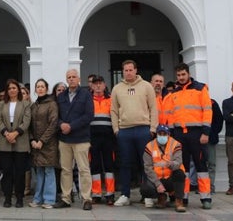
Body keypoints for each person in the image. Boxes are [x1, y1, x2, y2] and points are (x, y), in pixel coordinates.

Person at [110, 60, 158, 207]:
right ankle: (125, 194)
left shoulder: (146, 86)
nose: (128, 73)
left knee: (146, 164)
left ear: (136, 70)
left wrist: (153, 129)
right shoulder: (117, 88)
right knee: (125, 164)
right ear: (123, 71)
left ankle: (147, 195)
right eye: (125, 70)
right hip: (124, 131)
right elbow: (113, 110)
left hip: (143, 130)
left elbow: (153, 108)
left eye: (131, 70)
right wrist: (116, 130)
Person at [165, 63, 212, 209]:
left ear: (188, 74)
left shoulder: (200, 88)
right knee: (181, 167)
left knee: (201, 165)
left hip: (197, 133)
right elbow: (171, 114)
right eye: (178, 75)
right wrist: (171, 134)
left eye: (183, 74)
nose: (181, 77)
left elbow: (207, 110)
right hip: (179, 134)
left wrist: (205, 132)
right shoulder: (173, 92)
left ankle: (206, 198)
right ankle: (183, 197)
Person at [54, 68, 94, 211]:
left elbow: (89, 116)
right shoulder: (61, 96)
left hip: (81, 138)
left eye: (73, 77)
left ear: (79, 79)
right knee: (66, 169)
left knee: (84, 169)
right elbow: (56, 116)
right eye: (69, 77)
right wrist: (61, 124)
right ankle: (66, 197)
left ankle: (86, 198)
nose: (71, 79)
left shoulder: (86, 94)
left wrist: (71, 126)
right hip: (64, 139)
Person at [0, 79, 31, 208]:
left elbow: (27, 121)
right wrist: (6, 134)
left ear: (18, 89)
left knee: (20, 172)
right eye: (9, 88)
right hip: (5, 141)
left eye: (14, 88)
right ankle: (7, 198)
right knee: (7, 171)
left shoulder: (25, 104)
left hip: (20, 140)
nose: (12, 90)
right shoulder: (1, 104)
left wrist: (15, 133)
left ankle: (19, 197)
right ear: (6, 90)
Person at [141, 125, 187, 213]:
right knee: (145, 189)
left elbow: (178, 162)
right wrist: (158, 184)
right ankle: (161, 197)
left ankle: (179, 201)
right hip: (157, 178)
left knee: (180, 174)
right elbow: (147, 167)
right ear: (156, 134)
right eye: (160, 134)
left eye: (164, 134)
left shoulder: (175, 144)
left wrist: (170, 164)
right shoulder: (149, 146)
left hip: (171, 177)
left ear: (168, 134)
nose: (162, 136)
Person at [28, 78, 58, 209]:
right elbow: (29, 125)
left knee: (49, 171)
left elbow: (53, 124)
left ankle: (49, 199)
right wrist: (32, 140)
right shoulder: (33, 106)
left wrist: (42, 140)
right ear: (35, 90)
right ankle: (37, 198)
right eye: (37, 87)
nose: (40, 88)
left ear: (47, 88)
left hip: (48, 144)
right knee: (39, 171)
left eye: (42, 86)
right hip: (36, 144)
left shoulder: (52, 104)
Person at [89, 75, 116, 205]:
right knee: (94, 166)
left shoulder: (111, 100)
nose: (98, 86)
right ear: (92, 86)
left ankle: (110, 194)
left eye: (100, 83)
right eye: (95, 84)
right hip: (92, 138)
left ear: (104, 85)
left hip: (108, 138)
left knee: (109, 165)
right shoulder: (88, 100)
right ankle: (96, 194)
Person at [206, 99, 223, 193]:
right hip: (197, 139)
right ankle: (201, 187)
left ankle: (210, 187)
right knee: (200, 165)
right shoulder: (194, 103)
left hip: (210, 139)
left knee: (211, 164)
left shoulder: (212, 103)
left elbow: (219, 119)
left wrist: (213, 132)